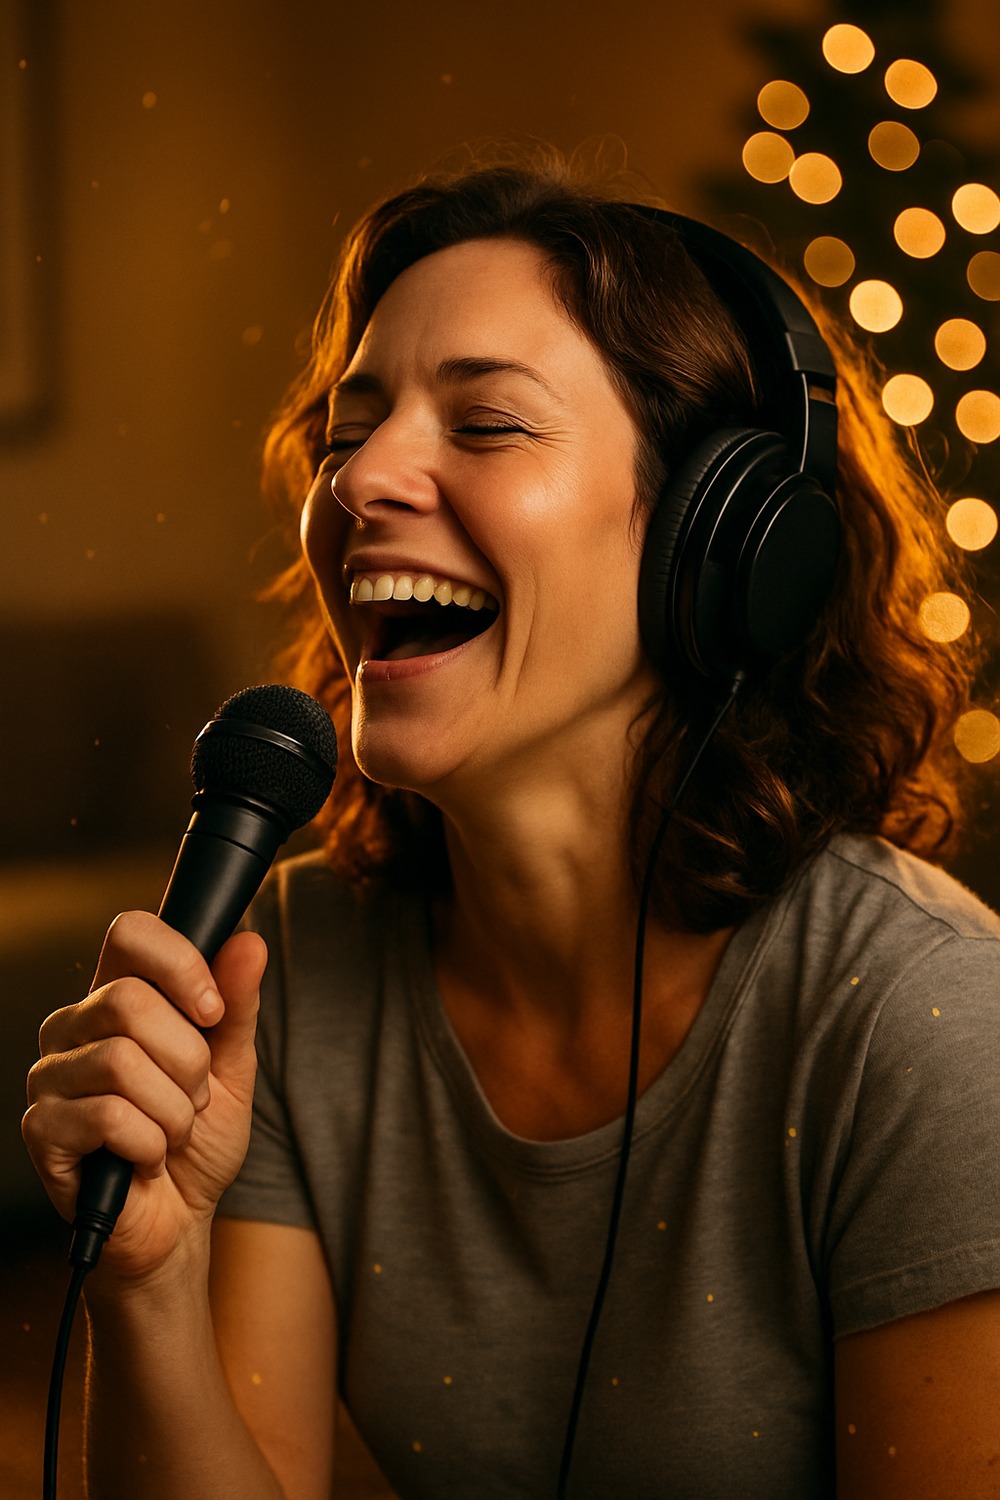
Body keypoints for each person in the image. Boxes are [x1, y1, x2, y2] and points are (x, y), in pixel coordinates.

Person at [23, 147, 1000, 1500]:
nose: (361, 481)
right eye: (347, 433)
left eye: (486, 423)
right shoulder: (286, 969)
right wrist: (152, 1281)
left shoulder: (922, 1020)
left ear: (722, 545)